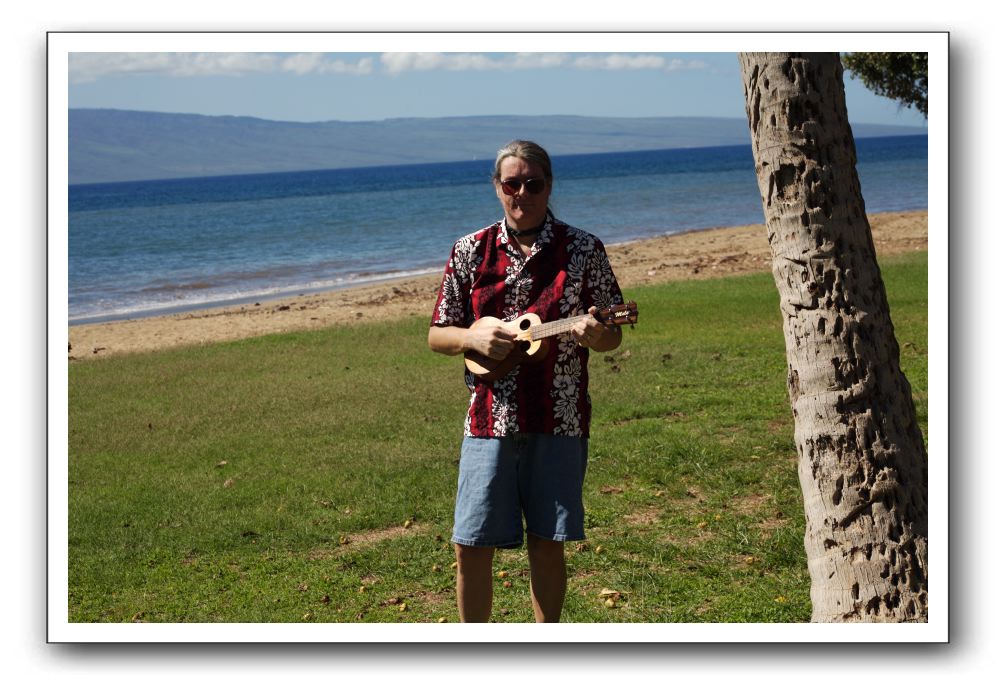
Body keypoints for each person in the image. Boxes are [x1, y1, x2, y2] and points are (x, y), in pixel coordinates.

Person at [427, 140, 624, 623]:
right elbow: (437, 333)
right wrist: (472, 337)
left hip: (559, 415)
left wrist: (598, 335)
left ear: (549, 186)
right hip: (487, 417)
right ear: (497, 188)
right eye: (511, 184)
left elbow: (611, 333)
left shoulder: (582, 249)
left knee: (547, 542)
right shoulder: (469, 250)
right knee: (470, 543)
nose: (522, 193)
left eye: (532, 184)